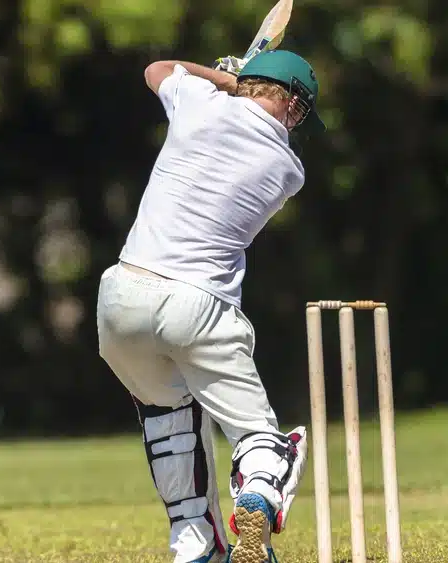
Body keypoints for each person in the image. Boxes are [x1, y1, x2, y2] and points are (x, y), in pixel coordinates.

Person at [96, 49, 325, 563]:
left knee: (167, 422)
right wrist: (234, 82)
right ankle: (258, 497)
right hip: (197, 305)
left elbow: (156, 69)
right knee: (260, 438)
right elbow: (245, 113)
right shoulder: (287, 167)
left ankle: (194, 543)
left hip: (120, 297)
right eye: (301, 112)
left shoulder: (197, 103)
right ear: (291, 104)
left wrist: (220, 75)